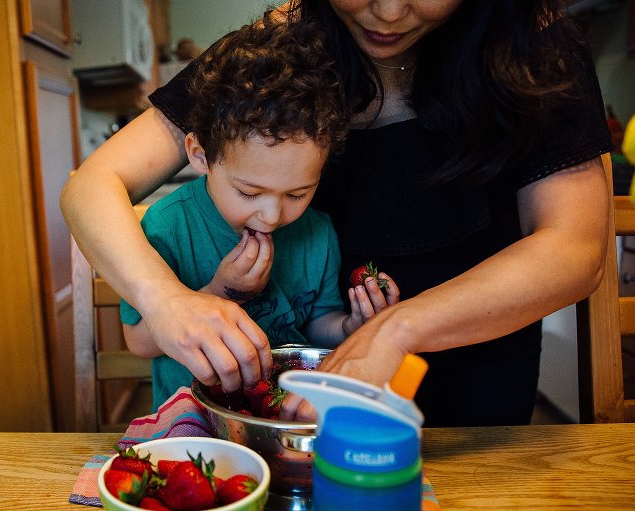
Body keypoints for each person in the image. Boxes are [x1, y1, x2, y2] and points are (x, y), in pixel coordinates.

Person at [61, 0, 613, 427]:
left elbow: (574, 249)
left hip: (479, 396)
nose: (391, 11)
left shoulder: (533, 44)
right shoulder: (273, 55)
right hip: (305, 391)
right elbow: (93, 184)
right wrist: (168, 300)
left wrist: (393, 331)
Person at [119, 19, 399, 408]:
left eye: (298, 193)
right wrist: (220, 292)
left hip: (282, 417)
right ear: (201, 156)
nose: (271, 216)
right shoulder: (169, 226)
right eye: (249, 192)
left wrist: (354, 327)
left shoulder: (317, 231)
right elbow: (139, 342)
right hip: (192, 422)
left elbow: (319, 326)